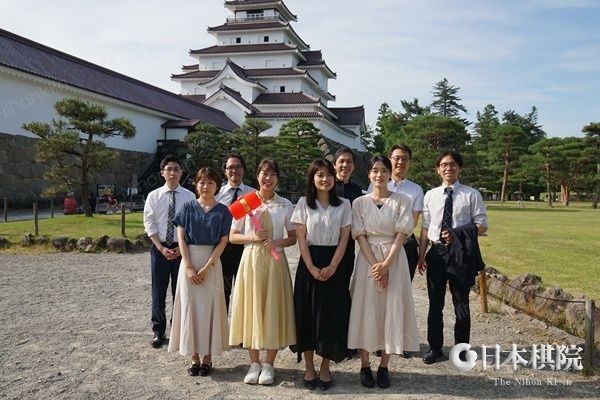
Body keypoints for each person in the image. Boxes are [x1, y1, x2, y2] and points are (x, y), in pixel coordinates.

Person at [347, 155, 420, 389]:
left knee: (391, 308)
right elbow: (359, 235)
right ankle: (365, 364)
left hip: (394, 259)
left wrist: (386, 264)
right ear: (369, 174)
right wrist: (375, 266)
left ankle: (384, 365)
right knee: (364, 308)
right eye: (375, 170)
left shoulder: (402, 200)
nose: (379, 175)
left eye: (384, 171)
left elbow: (402, 234)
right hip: (367, 260)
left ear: (390, 174)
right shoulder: (359, 203)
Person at [228, 158, 297, 386]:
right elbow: (232, 236)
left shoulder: (285, 204)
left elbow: (293, 237)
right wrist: (253, 237)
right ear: (257, 175)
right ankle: (254, 363)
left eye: (272, 174)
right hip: (252, 261)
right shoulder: (245, 202)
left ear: (277, 178)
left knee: (273, 308)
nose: (268, 178)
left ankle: (269, 364)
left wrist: (276, 242)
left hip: (275, 262)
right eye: (264, 173)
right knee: (253, 308)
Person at [417, 150, 488, 365]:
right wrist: (421, 255)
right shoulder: (430, 195)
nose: (449, 168)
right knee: (435, 304)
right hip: (437, 254)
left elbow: (482, 225)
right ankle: (435, 348)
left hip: (461, 254)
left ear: (460, 168)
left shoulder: (471, 194)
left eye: (453, 164)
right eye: (444, 164)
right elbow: (425, 227)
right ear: (438, 169)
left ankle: (461, 350)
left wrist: (457, 234)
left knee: (461, 304)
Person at [290, 158, 352, 391]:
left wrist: (334, 266)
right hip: (310, 263)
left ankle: (325, 366)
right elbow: (300, 238)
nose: (325, 179)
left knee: (331, 316)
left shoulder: (344, 204)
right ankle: (309, 367)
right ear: (312, 178)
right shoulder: (303, 204)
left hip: (335, 263)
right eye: (320, 175)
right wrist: (311, 267)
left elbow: (345, 238)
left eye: (328, 175)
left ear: (335, 178)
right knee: (307, 314)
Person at [168, 167, 232, 377]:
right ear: (196, 185)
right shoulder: (187, 208)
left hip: (212, 263)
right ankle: (194, 357)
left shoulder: (223, 211)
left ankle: (208, 358)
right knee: (191, 307)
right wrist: (188, 266)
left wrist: (207, 267)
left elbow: (223, 241)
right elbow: (181, 238)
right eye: (202, 182)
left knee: (210, 308)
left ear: (217, 186)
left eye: (210, 182)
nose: (206, 186)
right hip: (189, 262)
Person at [143, 154, 196, 349]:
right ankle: (158, 330)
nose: (172, 173)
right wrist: (160, 247)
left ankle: (177, 329)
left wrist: (181, 249)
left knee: (179, 291)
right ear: (162, 173)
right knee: (158, 291)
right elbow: (149, 223)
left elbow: (192, 224)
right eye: (169, 169)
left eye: (176, 169)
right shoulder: (154, 196)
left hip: (182, 248)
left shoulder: (190, 197)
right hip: (160, 248)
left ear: (181, 173)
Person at [216, 153, 256, 312]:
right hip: (223, 248)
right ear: (225, 171)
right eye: (230, 167)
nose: (234, 170)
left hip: (246, 248)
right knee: (222, 292)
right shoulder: (217, 195)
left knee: (245, 292)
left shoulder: (254, 195)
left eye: (238, 166)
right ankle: (222, 326)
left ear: (243, 169)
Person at [333, 147, 363, 289]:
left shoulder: (357, 190)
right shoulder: (327, 186)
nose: (345, 165)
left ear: (354, 166)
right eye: (342, 161)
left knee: (343, 281)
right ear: (334, 165)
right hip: (328, 241)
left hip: (348, 243)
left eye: (349, 162)